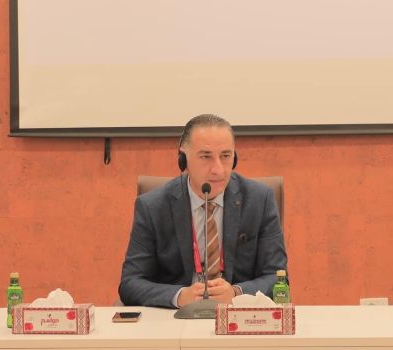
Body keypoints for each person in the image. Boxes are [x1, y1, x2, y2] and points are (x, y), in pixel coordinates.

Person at [119, 114, 288, 308]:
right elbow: (131, 283)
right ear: (183, 160)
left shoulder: (259, 200)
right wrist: (179, 296)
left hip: (235, 316)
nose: (218, 170)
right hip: (176, 318)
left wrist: (236, 292)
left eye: (225, 156)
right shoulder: (152, 206)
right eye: (206, 156)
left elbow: (278, 277)